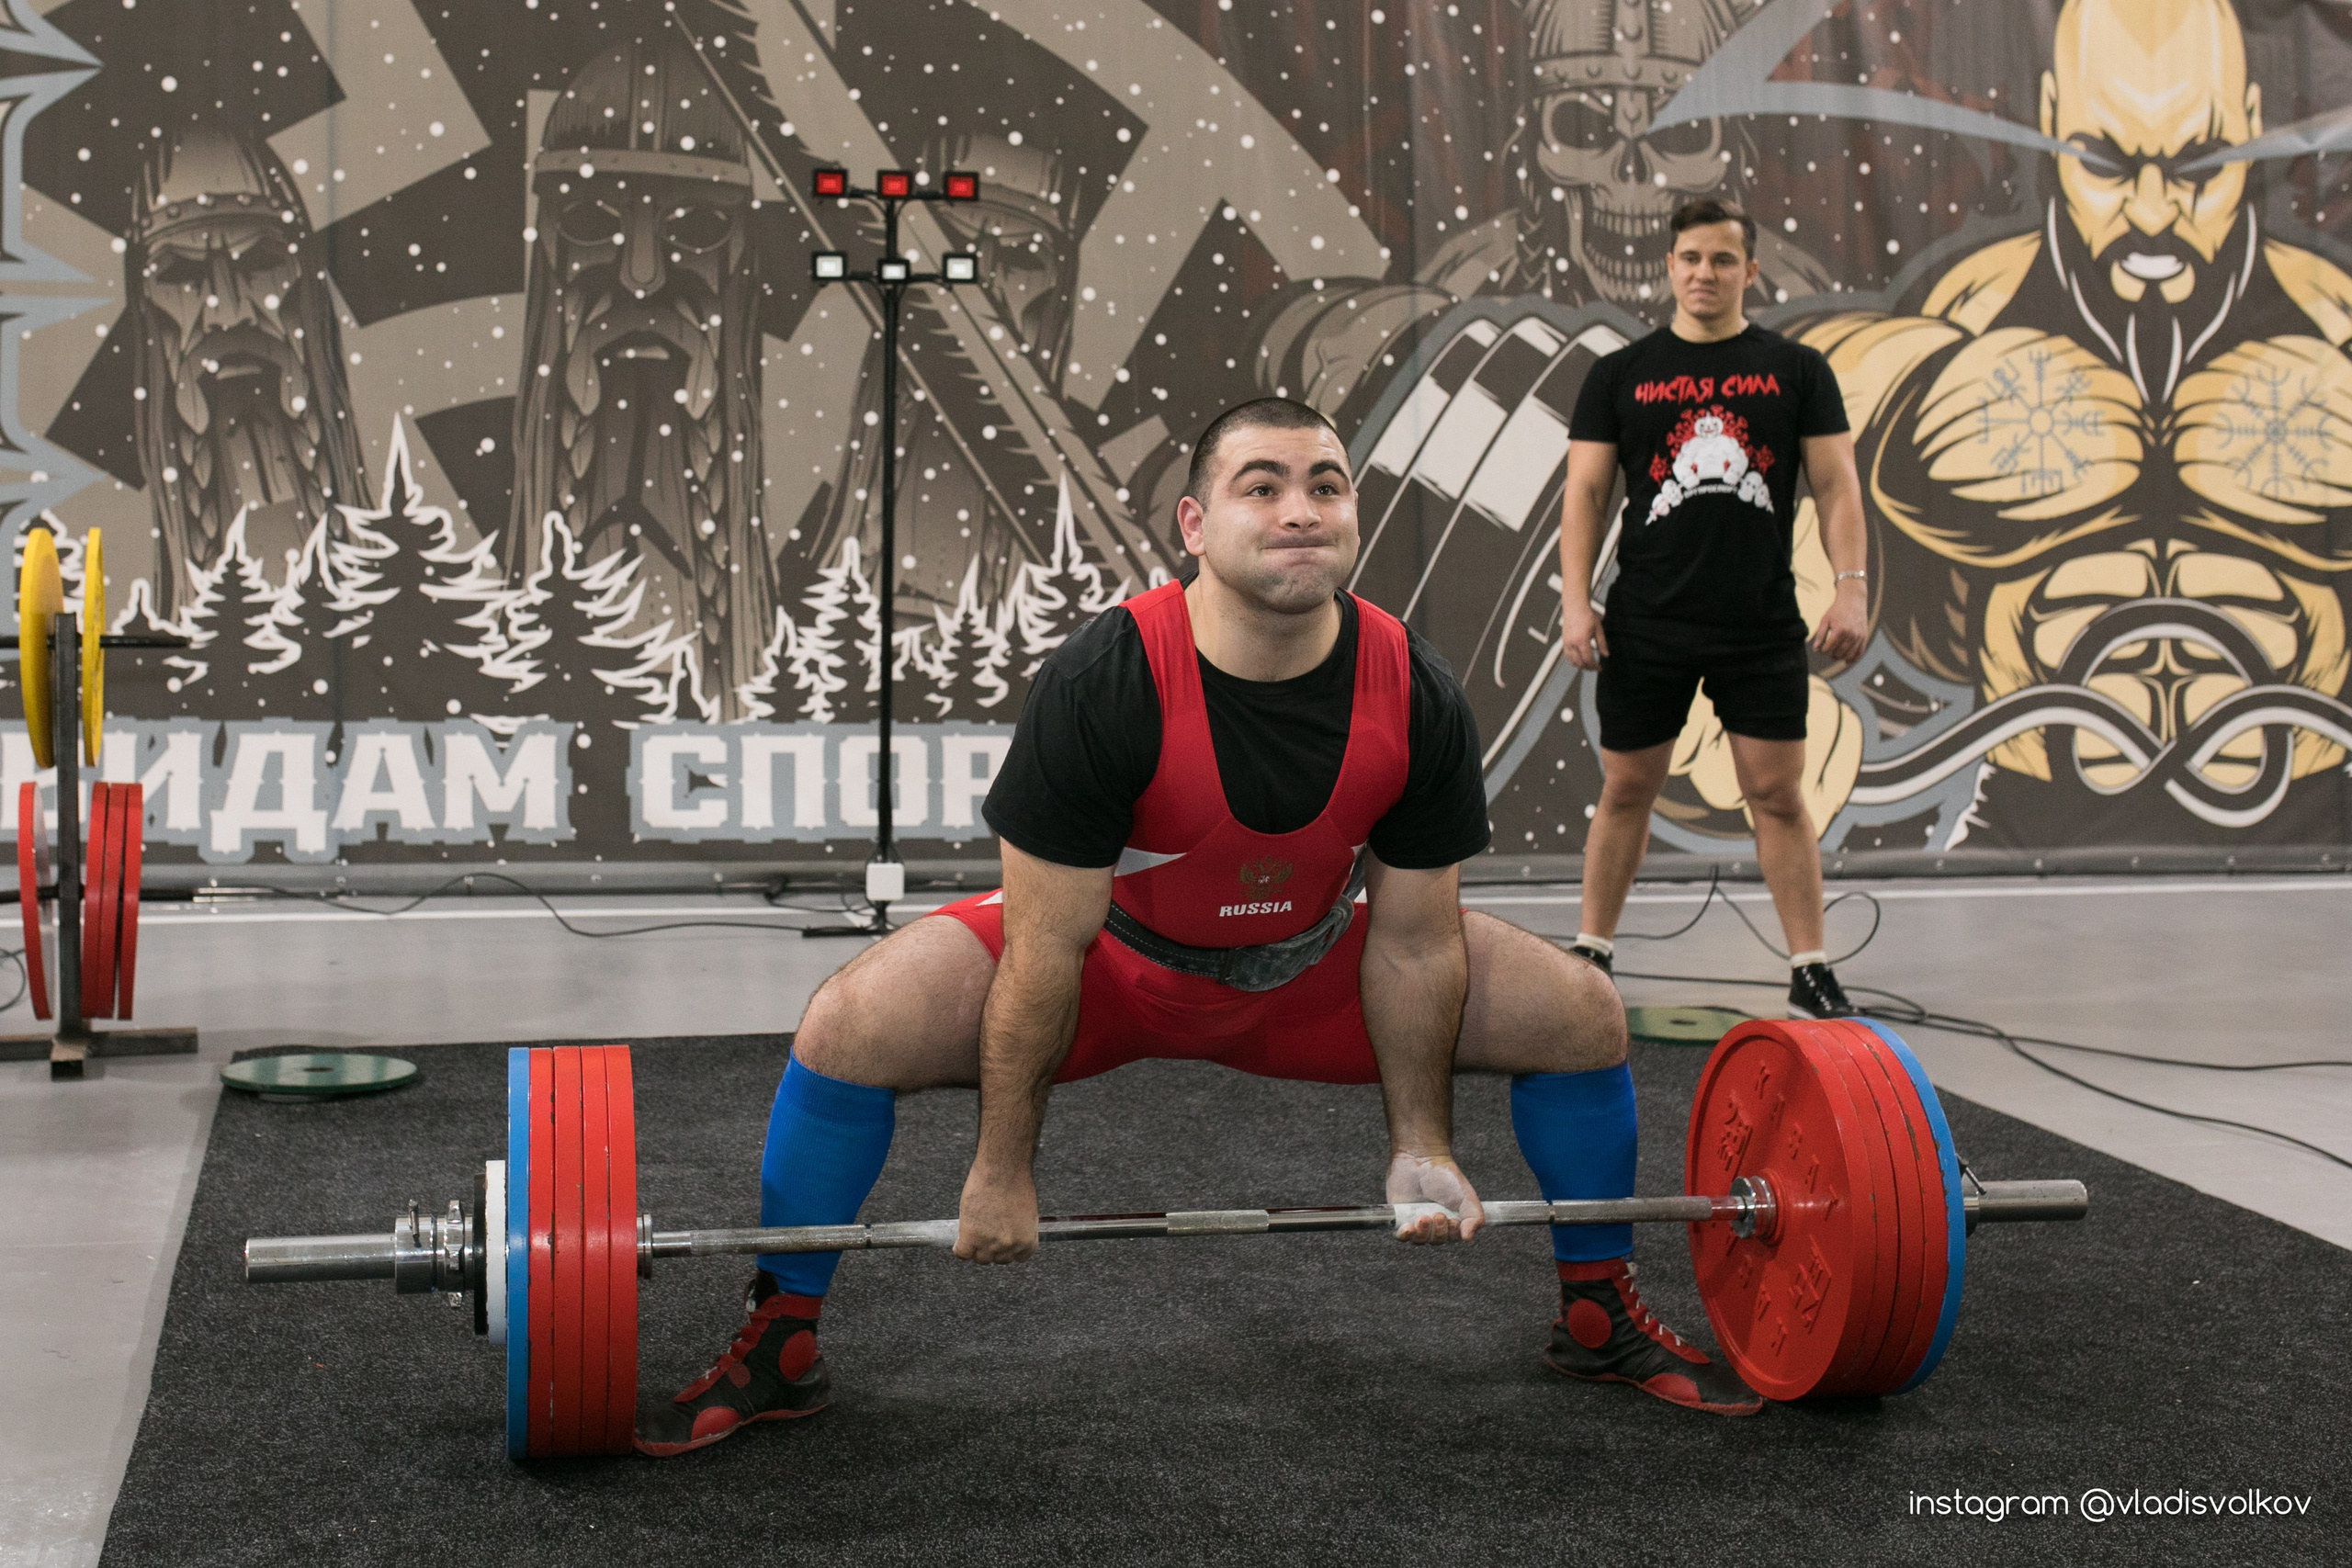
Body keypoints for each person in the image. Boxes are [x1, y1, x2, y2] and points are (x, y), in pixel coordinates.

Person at [636, 398, 1761, 1456]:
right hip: (1111, 971)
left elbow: (1417, 941)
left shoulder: (1412, 684)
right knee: (850, 1025)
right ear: (1195, 523)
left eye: (1326, 485)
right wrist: (1001, 1169)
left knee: (1580, 1013)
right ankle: (781, 1338)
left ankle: (1595, 1311)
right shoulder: (1106, 678)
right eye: (1260, 486)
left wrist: (1419, 1147)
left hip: (1308, 973)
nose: (1299, 510)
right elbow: (1045, 947)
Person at [1555, 198, 1871, 1020]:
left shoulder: (1798, 370)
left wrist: (1851, 583)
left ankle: (1810, 966)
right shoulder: (1617, 374)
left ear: (1749, 271)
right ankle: (1592, 956)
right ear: (1669, 267)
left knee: (1777, 795)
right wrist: (1574, 601)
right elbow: (1585, 494)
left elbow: (1837, 485)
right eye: (1691, 258)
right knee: (1626, 788)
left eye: (1722, 260)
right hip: (1646, 620)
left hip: (1760, 623)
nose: (1705, 273)